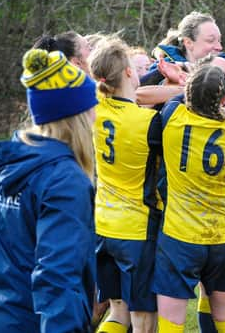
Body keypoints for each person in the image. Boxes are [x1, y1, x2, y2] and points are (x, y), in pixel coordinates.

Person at [0, 47, 98, 332]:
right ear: (76, 115)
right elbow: (57, 277)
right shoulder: (64, 180)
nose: (96, 115)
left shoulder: (9, 164)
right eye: (91, 106)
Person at [152, 63, 225, 333]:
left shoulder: (171, 115)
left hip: (180, 236)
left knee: (171, 324)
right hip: (223, 237)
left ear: (187, 94)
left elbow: (171, 100)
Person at [89, 37, 162, 333]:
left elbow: (134, 91)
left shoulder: (94, 109)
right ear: (130, 73)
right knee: (144, 316)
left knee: (118, 311)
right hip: (137, 228)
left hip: (103, 224)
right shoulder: (147, 121)